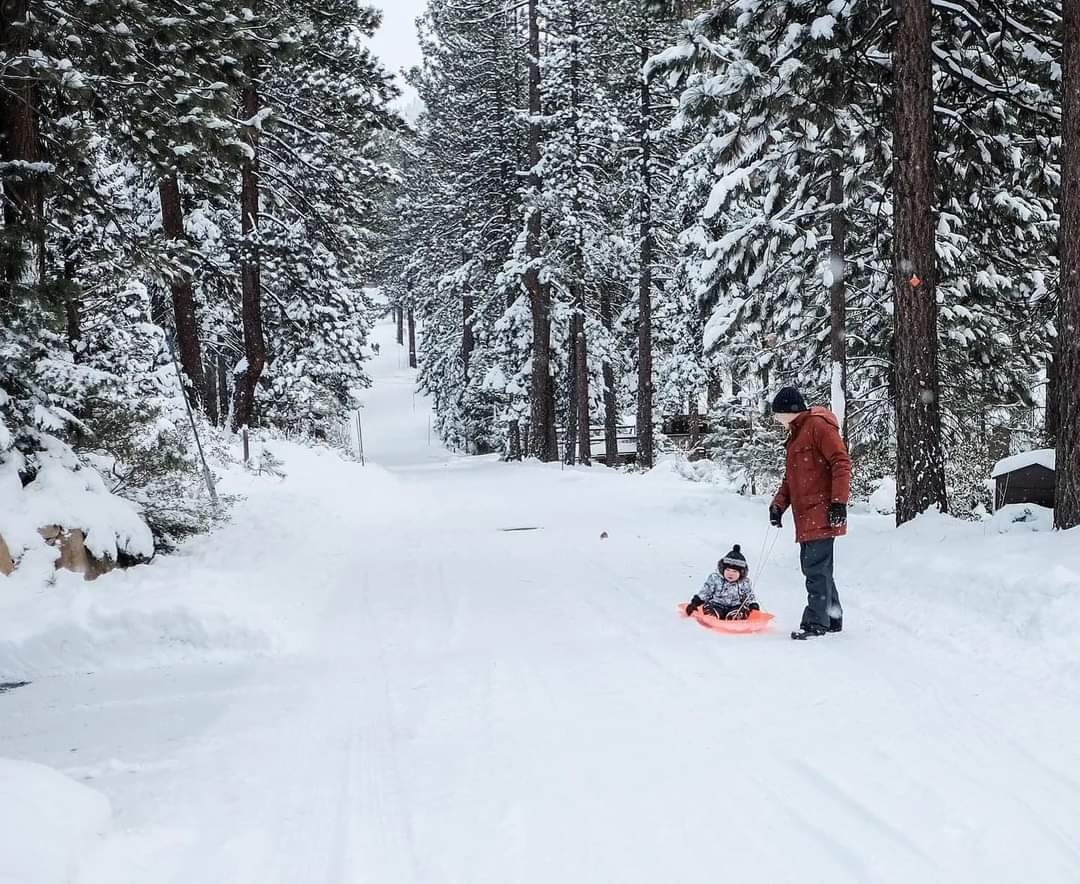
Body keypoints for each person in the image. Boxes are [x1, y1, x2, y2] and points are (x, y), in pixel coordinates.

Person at [768, 386, 851, 640]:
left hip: (822, 511)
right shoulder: (797, 434)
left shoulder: (817, 426)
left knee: (815, 568)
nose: (776, 420)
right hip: (807, 515)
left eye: (778, 415)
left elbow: (841, 461)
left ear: (791, 411)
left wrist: (838, 503)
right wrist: (778, 505)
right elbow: (792, 478)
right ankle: (832, 618)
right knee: (819, 567)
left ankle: (816, 623)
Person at [685, 545, 759, 620]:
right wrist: (695, 603)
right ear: (723, 569)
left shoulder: (744, 583)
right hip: (716, 604)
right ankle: (712, 615)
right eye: (728, 570)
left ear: (741, 573)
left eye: (735, 571)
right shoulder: (715, 579)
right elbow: (706, 591)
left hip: (735, 606)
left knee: (741, 610)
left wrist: (753, 605)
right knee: (709, 607)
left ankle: (734, 617)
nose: (730, 574)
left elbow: (749, 596)